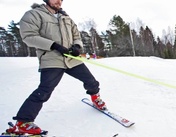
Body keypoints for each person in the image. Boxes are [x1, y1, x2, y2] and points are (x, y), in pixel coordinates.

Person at [7, 0, 106, 135]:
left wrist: (76, 46)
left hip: (71, 59)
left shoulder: (66, 17)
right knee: (45, 90)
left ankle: (95, 98)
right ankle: (23, 121)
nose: (58, 1)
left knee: (91, 82)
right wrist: (54, 45)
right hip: (51, 59)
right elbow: (28, 36)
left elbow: (77, 35)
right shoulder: (33, 14)